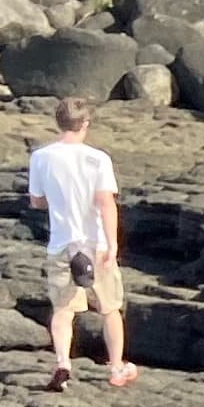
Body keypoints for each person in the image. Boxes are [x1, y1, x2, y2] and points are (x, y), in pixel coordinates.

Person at [25, 93, 128, 387]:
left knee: (62, 310)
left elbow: (36, 202)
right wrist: (113, 244)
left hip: (62, 244)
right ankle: (117, 368)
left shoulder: (41, 157)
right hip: (94, 242)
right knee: (109, 308)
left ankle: (62, 363)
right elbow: (106, 203)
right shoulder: (97, 159)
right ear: (85, 123)